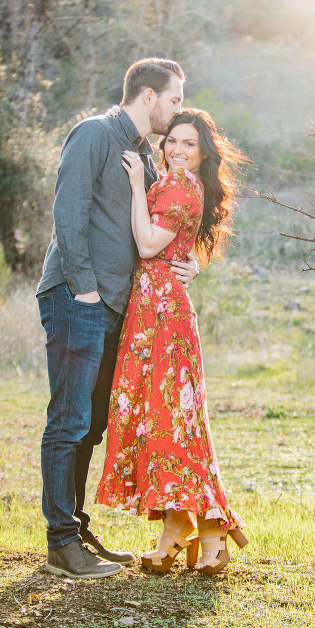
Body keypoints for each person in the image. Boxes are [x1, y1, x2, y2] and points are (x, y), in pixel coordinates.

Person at [35, 58, 199, 580]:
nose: (176, 113)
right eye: (174, 100)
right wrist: (83, 289)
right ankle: (60, 543)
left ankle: (77, 531)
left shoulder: (144, 155)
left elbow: (154, 226)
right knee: (69, 420)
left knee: (94, 424)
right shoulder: (94, 134)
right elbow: (69, 215)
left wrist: (188, 259)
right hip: (76, 297)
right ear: (148, 96)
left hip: (115, 305)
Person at [96, 109, 248, 575]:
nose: (177, 150)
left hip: (164, 319)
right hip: (150, 314)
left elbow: (146, 245)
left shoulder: (179, 187)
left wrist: (137, 185)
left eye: (188, 144)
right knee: (159, 421)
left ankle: (211, 528)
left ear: (204, 152)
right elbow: (171, 247)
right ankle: (180, 525)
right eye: (172, 142)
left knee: (173, 421)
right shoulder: (171, 182)